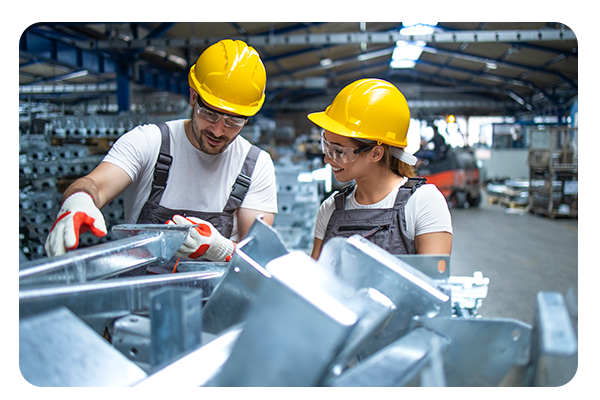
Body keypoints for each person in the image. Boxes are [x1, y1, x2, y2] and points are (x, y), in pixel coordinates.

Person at [44, 39, 278, 274]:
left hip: (217, 303)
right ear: (193, 97)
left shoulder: (255, 165)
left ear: (248, 117)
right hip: (140, 303)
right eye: (209, 114)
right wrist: (79, 199)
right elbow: (95, 184)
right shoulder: (150, 142)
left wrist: (219, 248)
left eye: (233, 121)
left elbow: (257, 257)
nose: (218, 130)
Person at [307, 78, 452, 260]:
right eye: (326, 147)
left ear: (376, 153)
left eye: (338, 151)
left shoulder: (423, 203)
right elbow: (314, 283)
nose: (327, 159)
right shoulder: (329, 209)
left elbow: (431, 284)